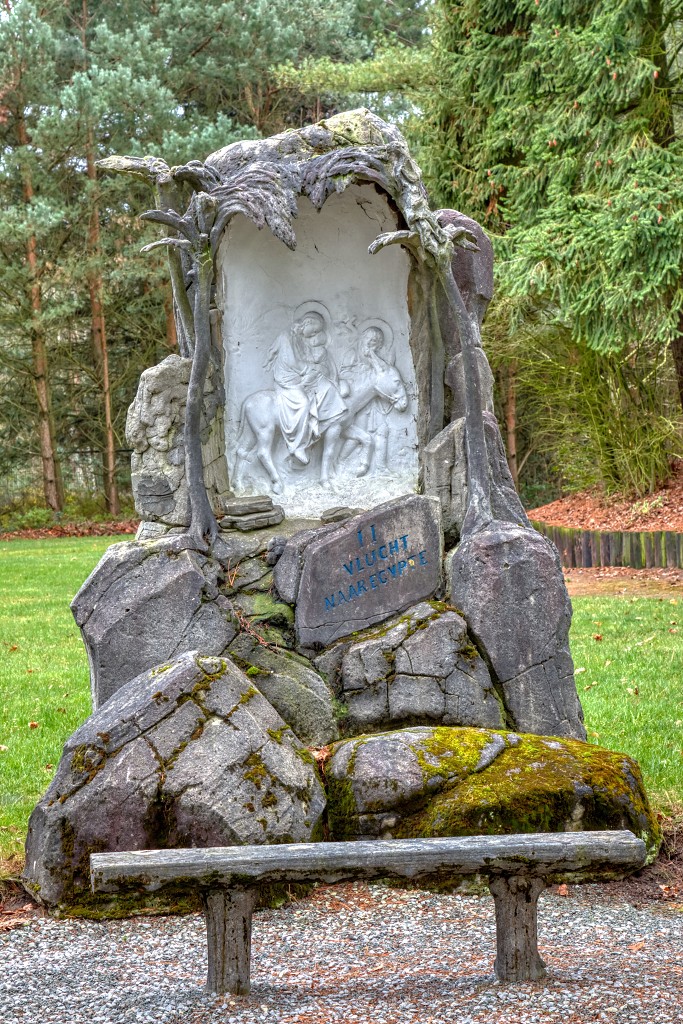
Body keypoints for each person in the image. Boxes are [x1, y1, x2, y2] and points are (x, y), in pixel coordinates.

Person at [267, 308, 347, 465]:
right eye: (314, 330)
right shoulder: (287, 336)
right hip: (288, 378)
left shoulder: (301, 338)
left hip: (300, 374)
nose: (314, 334)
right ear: (306, 323)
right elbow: (291, 362)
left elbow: (308, 357)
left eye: (317, 333)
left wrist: (317, 367)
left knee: (326, 385)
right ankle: (297, 446)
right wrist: (310, 368)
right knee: (303, 403)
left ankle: (325, 421)